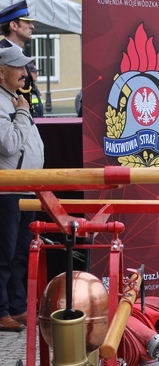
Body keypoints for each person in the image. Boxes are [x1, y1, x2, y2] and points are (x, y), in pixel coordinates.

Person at [0, 47, 44, 332]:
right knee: (4, 253)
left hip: (25, 186)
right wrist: (23, 114)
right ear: (2, 70)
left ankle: (16, 307)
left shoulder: (15, 100)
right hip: (8, 188)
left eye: (26, 68)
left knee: (19, 253)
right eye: (19, 67)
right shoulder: (10, 104)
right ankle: (2, 310)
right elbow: (9, 145)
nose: (25, 73)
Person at [0, 1, 36, 108]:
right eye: (27, 22)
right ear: (14, 25)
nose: (32, 26)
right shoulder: (2, 55)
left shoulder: (21, 53)